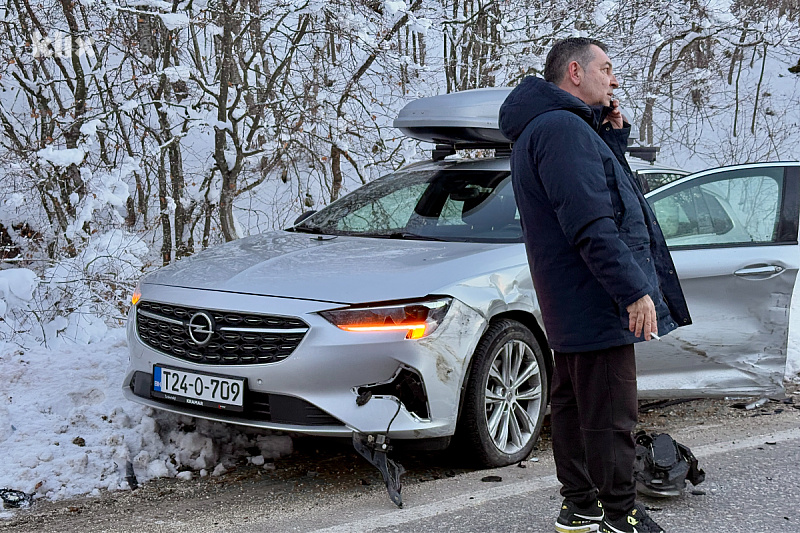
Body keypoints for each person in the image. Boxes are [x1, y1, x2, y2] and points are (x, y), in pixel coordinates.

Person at [499, 38, 691, 533]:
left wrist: (611, 141)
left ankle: (582, 505)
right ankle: (620, 514)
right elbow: (590, 223)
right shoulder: (562, 130)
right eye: (606, 68)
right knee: (610, 411)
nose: (615, 79)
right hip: (594, 292)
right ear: (576, 72)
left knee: (574, 402)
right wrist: (631, 290)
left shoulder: (554, 128)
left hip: (572, 294)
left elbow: (596, 195)